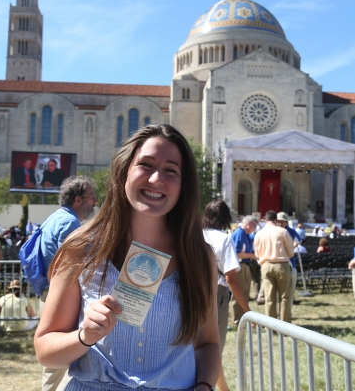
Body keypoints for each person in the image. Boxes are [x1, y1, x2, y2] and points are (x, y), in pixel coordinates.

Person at [34, 124, 221, 391]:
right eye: (146, 165)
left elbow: (208, 344)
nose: (157, 179)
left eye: (171, 170)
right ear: (124, 172)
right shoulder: (80, 249)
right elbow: (45, 351)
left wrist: (204, 385)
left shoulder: (200, 258)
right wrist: (84, 336)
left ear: (183, 185)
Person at [39, 175, 97, 391]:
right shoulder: (70, 223)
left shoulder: (55, 217)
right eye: (92, 197)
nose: (95, 202)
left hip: (49, 291)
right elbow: (74, 266)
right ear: (78, 200)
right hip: (61, 295)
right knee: (60, 354)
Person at [202, 200, 251, 391]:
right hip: (216, 293)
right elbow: (231, 278)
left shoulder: (195, 234)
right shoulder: (224, 238)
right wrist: (246, 308)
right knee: (214, 346)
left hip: (193, 290)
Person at [254, 211, 294, 323]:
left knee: (269, 298)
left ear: (264, 220)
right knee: (285, 297)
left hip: (265, 265)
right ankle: (285, 325)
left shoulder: (259, 234)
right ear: (276, 220)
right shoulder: (283, 231)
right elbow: (290, 252)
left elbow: (257, 254)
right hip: (281, 265)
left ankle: (271, 326)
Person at [230, 215, 258, 326]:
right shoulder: (239, 234)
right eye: (254, 226)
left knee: (245, 292)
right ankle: (237, 320)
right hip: (239, 266)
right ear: (249, 224)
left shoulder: (244, 234)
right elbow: (237, 253)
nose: (254, 229)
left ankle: (243, 319)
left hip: (244, 265)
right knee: (238, 293)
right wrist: (251, 255)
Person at [276, 212, 301, 308]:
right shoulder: (273, 231)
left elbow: (297, 242)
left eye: (282, 222)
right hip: (277, 262)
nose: (280, 224)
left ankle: (288, 308)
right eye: (278, 222)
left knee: (290, 286)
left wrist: (289, 249)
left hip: (290, 262)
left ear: (286, 222)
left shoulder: (291, 231)